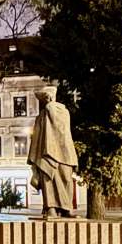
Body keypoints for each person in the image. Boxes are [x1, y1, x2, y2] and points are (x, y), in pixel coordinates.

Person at [28, 85, 78, 218]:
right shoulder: (40, 117)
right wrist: (34, 157)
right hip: (46, 152)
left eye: (48, 96)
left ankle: (66, 207)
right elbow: (36, 137)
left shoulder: (63, 112)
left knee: (66, 178)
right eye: (44, 97)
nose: (47, 99)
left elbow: (61, 126)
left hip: (64, 150)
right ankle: (51, 207)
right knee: (48, 179)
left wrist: (51, 107)